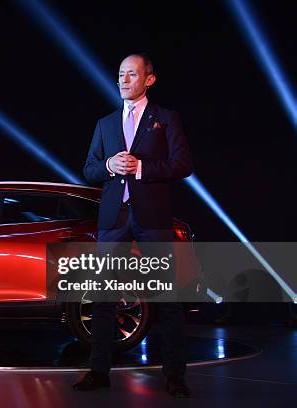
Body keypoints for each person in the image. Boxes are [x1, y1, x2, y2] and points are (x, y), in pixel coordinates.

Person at [74, 53, 193, 398]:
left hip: (152, 219)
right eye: (120, 75)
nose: (124, 80)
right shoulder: (105, 123)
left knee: (168, 300)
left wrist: (140, 167)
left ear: (149, 80)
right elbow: (89, 170)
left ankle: (175, 376)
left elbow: (182, 164)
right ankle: (98, 372)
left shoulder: (166, 118)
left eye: (132, 74)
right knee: (102, 300)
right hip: (114, 219)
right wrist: (110, 164)